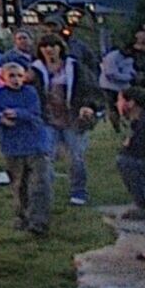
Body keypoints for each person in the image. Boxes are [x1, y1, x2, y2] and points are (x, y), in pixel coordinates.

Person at [0, 61, 52, 237]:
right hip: (12, 146)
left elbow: (35, 112)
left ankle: (39, 221)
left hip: (35, 143)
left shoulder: (30, 92)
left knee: (39, 183)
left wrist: (17, 113)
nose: (16, 80)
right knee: (19, 184)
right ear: (3, 78)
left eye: (19, 76)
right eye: (11, 76)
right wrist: (0, 118)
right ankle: (22, 216)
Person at [33, 37, 99, 206]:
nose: (49, 49)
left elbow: (89, 88)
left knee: (76, 157)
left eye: (53, 46)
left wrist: (88, 106)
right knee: (45, 157)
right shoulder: (35, 69)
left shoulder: (74, 67)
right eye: (45, 46)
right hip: (47, 119)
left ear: (60, 48)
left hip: (72, 118)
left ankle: (78, 192)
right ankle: (44, 193)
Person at [115, 88, 145, 260]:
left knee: (126, 163)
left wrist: (128, 145)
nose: (117, 104)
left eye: (120, 100)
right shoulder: (143, 120)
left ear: (131, 103)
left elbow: (135, 153)